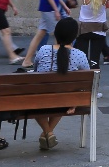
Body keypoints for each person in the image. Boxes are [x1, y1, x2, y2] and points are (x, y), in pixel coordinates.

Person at [32, 16, 89, 151]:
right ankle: (48, 132)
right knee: (63, 95)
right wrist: (75, 100)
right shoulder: (80, 55)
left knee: (35, 99)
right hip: (65, 100)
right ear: (74, 36)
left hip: (38, 99)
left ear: (56, 33)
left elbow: (35, 70)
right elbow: (86, 79)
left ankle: (47, 132)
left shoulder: (44, 50)